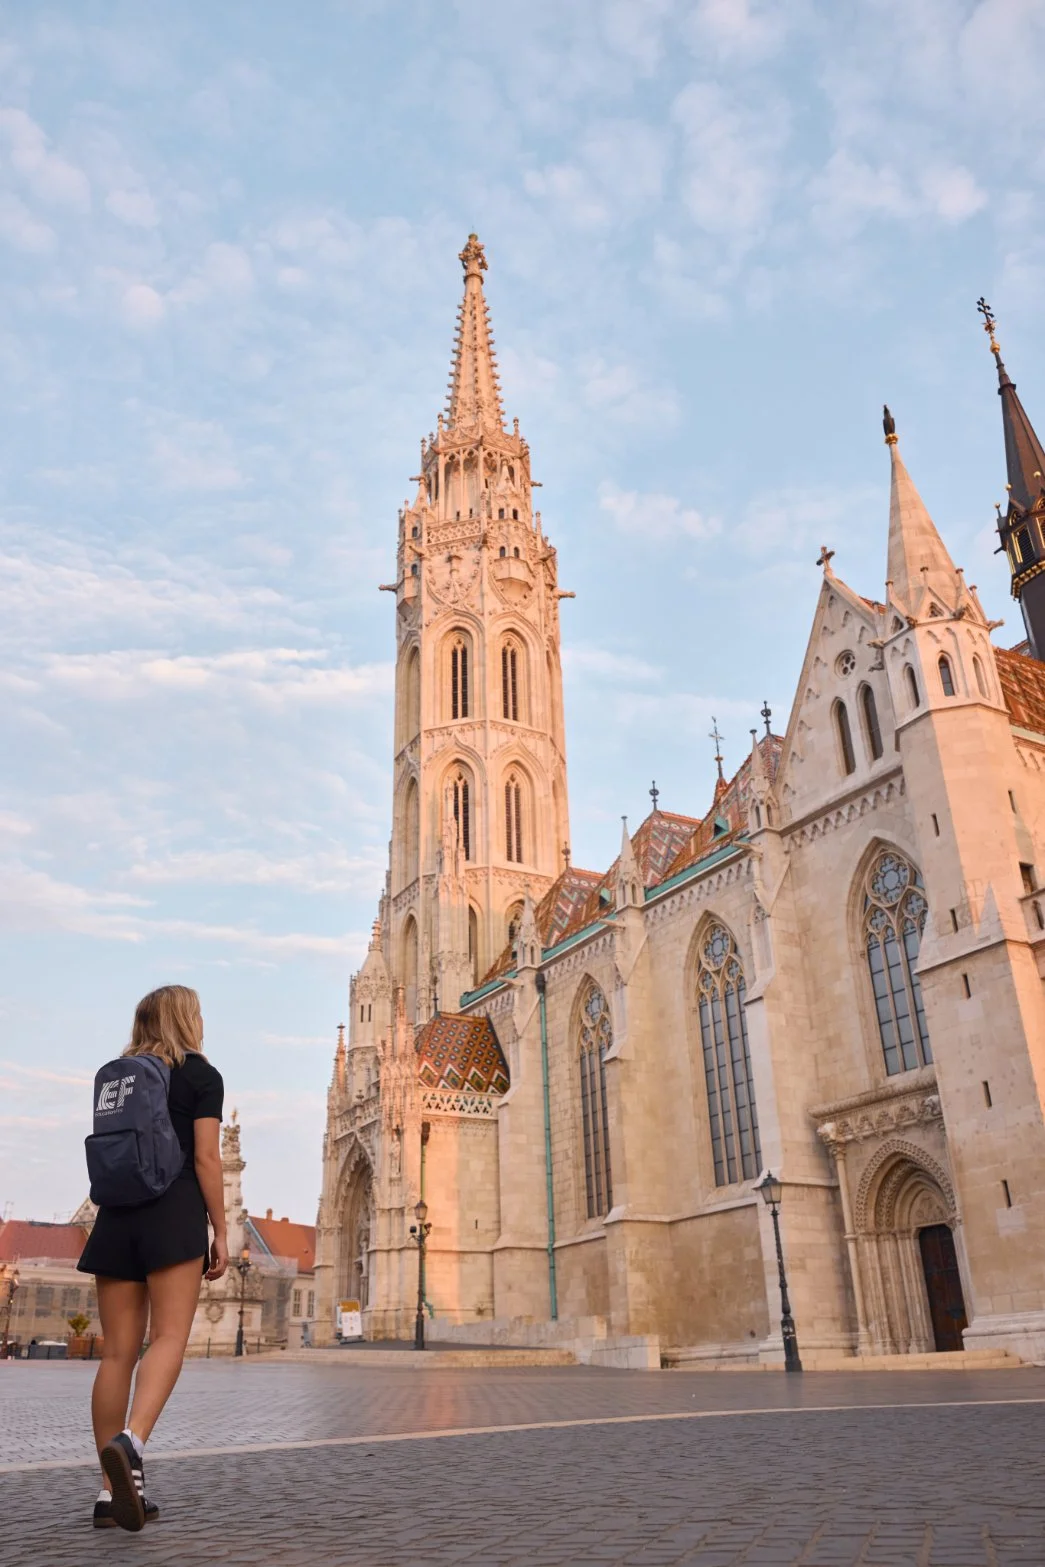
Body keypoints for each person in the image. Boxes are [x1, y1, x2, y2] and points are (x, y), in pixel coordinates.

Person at [77, 985, 227, 1531]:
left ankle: (107, 1490)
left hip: (117, 1216)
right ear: (187, 1020)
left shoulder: (118, 1075)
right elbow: (208, 1161)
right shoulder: (200, 1076)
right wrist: (222, 1231)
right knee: (168, 1338)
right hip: (174, 1213)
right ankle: (132, 1441)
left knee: (116, 1353)